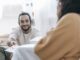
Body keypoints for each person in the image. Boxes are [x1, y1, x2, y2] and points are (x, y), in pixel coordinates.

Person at [11, 0, 80, 60]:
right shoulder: (76, 19)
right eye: (22, 22)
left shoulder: (70, 19)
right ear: (19, 23)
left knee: (18, 52)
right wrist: (12, 40)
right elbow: (13, 34)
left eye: (26, 21)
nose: (24, 23)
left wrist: (54, 30)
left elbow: (42, 50)